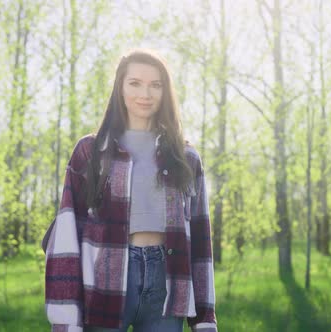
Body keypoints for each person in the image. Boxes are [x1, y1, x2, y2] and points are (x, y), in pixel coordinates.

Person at [43, 49, 218, 332]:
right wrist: (65, 319)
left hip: (167, 282)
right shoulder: (91, 151)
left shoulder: (185, 157)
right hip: (104, 280)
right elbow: (65, 236)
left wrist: (205, 319)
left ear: (165, 92)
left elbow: (201, 243)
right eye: (135, 83)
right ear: (120, 88)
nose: (145, 93)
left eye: (155, 85)